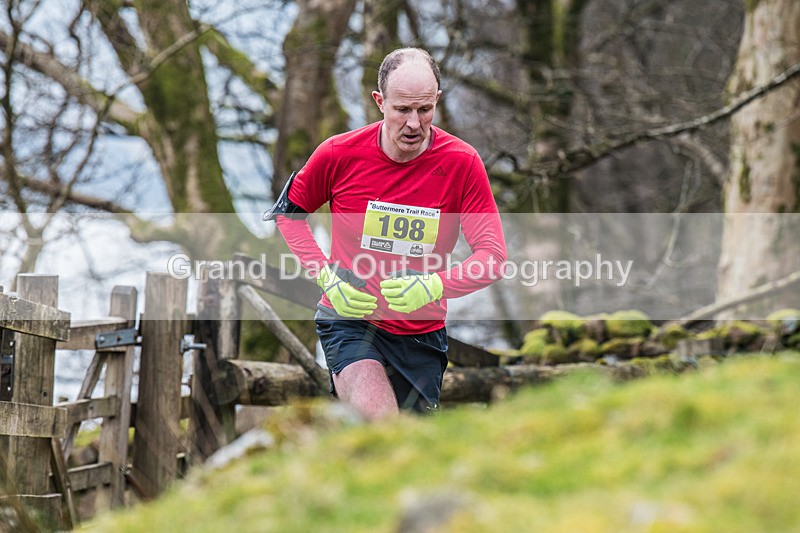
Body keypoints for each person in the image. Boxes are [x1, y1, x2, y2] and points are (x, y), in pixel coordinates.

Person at [265, 47, 506, 420]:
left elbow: (492, 258)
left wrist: (434, 286)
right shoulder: (337, 154)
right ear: (380, 102)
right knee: (381, 425)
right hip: (351, 324)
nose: (413, 123)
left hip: (421, 335)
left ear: (437, 101)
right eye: (402, 110)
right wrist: (327, 279)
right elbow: (288, 216)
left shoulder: (462, 163)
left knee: (406, 456)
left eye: (424, 110)